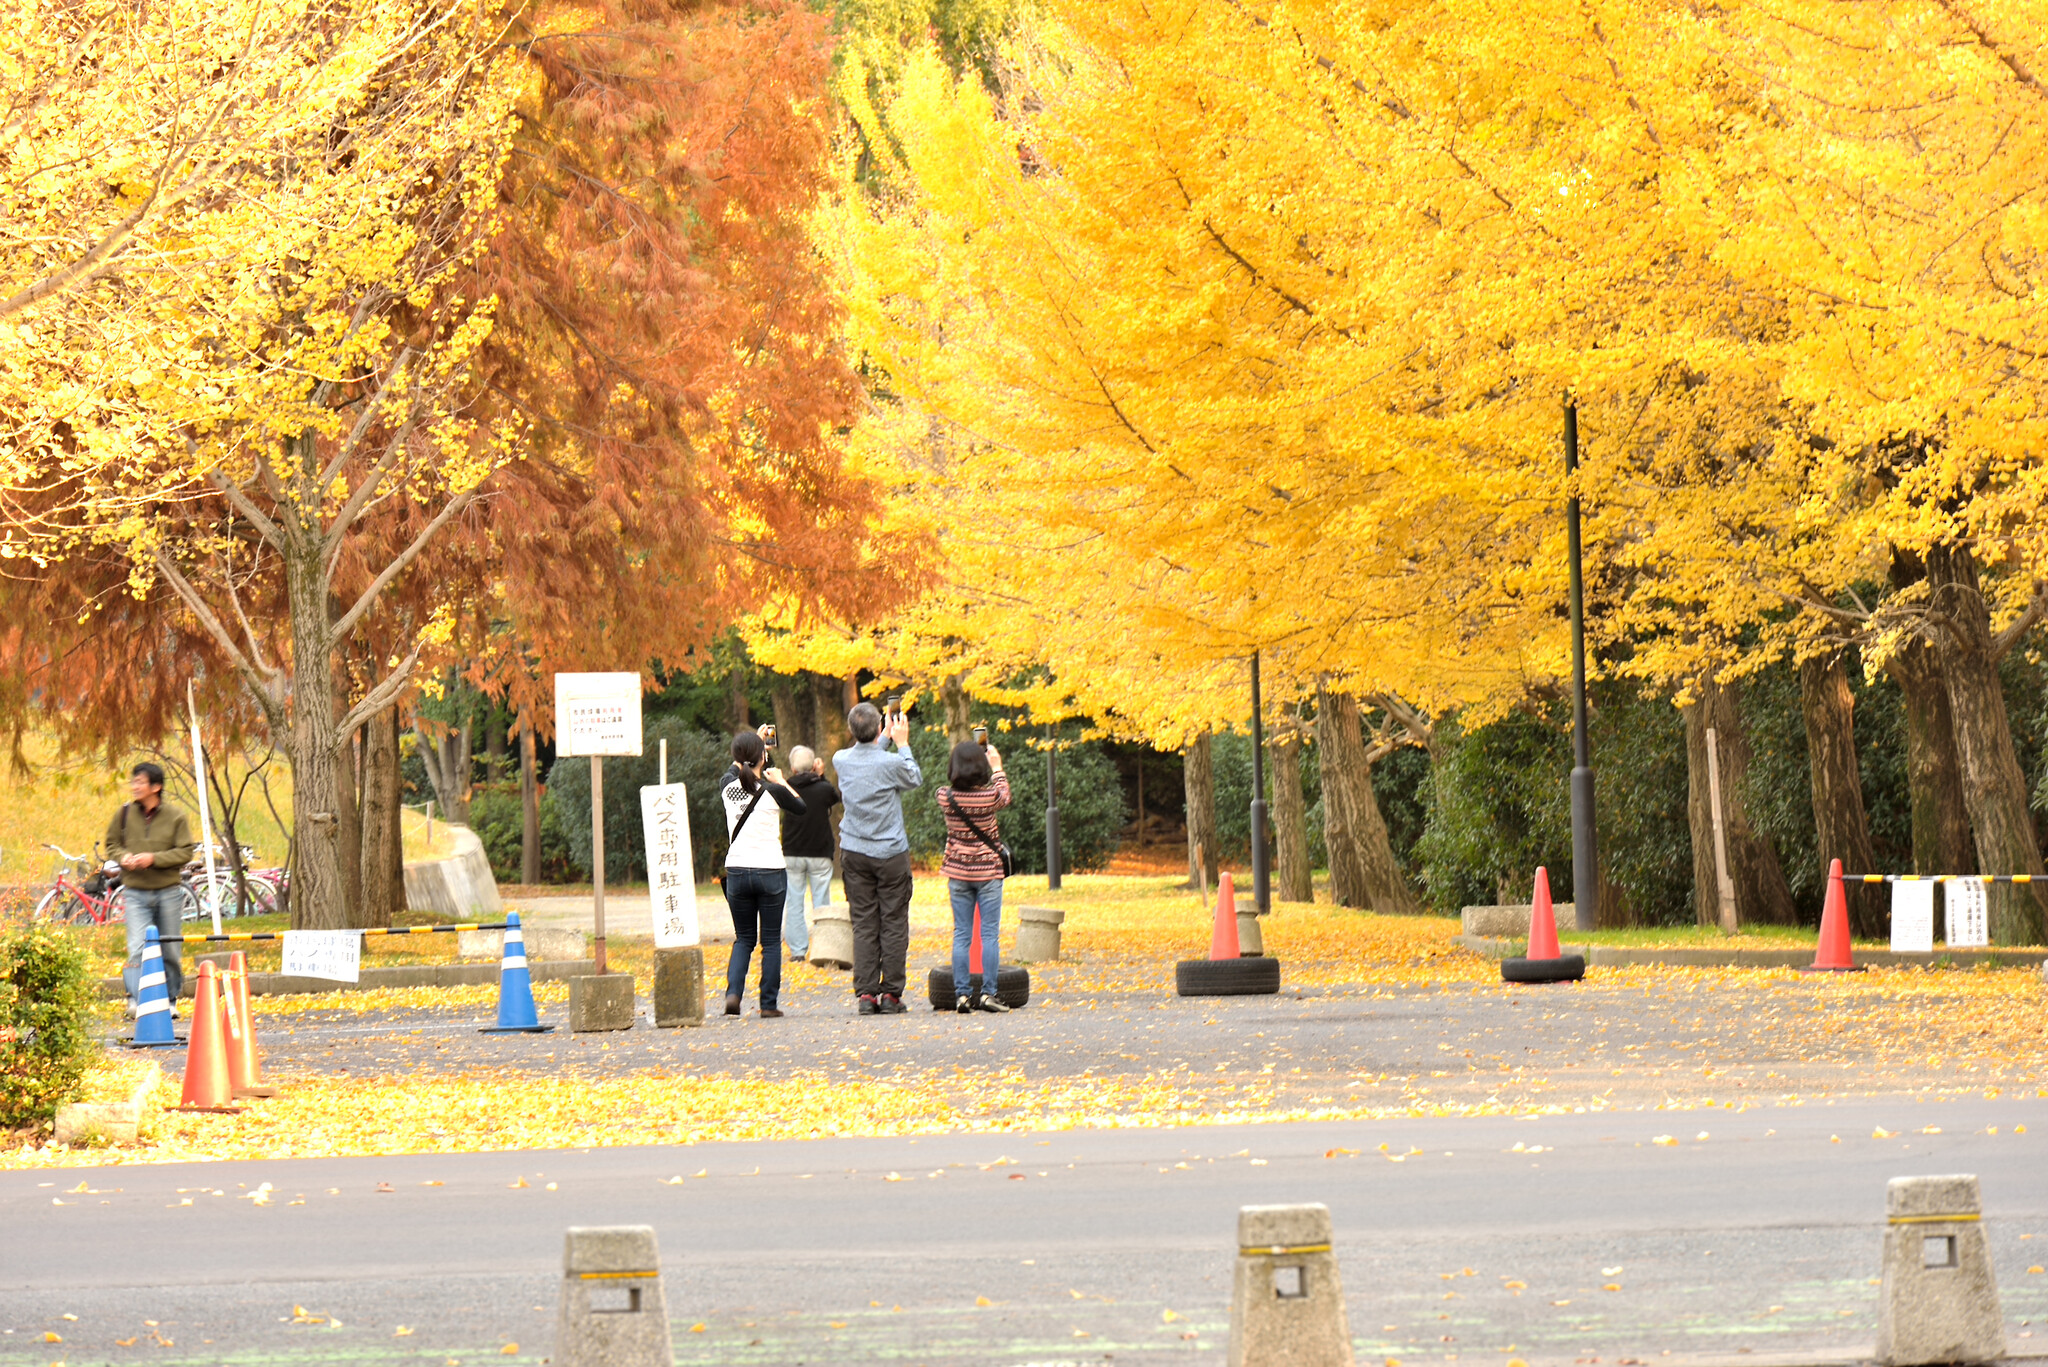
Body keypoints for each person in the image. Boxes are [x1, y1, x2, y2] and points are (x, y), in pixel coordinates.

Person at [833, 699, 921, 1015]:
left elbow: (869, 756)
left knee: (864, 923)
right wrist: (903, 743)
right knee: (894, 922)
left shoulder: (840, 759)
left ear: (849, 730)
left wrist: (882, 737)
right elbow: (914, 776)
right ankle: (891, 995)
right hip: (891, 853)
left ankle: (866, 994)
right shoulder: (891, 764)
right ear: (877, 728)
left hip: (855, 852)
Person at [719, 728, 806, 1018]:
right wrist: (781, 779)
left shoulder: (727, 787)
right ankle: (768, 1004)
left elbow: (734, 769)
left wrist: (750, 748)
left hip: (738, 870)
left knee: (743, 938)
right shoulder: (774, 791)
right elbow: (801, 807)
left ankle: (733, 995)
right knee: (770, 941)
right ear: (763, 757)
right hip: (770, 870)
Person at [108, 762, 195, 1011]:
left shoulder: (176, 816)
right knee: (136, 948)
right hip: (134, 893)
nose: (134, 786)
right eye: (133, 781)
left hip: (168, 892)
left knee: (170, 950)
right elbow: (111, 844)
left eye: (140, 782)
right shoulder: (124, 813)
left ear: (156, 787)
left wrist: (153, 859)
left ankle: (170, 1000)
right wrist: (122, 856)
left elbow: (185, 851)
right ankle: (136, 999)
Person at [938, 737, 1011, 1013]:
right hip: (988, 873)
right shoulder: (990, 796)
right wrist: (998, 766)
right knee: (989, 934)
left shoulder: (944, 796)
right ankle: (989, 994)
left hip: (958, 873)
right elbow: (1005, 794)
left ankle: (962, 995)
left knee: (962, 935)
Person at [779, 745, 840, 964]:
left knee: (794, 901)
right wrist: (821, 775)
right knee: (822, 902)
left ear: (793, 769)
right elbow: (835, 797)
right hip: (819, 852)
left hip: (793, 852)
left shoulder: (784, 788)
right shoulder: (823, 788)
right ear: (814, 765)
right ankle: (823, 949)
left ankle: (798, 951)